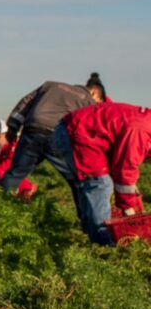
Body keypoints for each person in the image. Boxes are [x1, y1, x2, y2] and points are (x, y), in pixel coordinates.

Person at [53, 101, 151, 245]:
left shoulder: (145, 124)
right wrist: (128, 210)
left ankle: (91, 234)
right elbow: (125, 169)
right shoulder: (141, 130)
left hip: (82, 134)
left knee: (96, 185)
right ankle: (103, 243)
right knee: (100, 184)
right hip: (77, 133)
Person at [0, 73, 105, 195]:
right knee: (75, 179)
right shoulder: (88, 101)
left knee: (15, 173)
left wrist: (13, 128)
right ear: (95, 93)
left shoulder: (49, 85)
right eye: (99, 102)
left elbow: (24, 103)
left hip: (32, 130)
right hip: (57, 136)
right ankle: (85, 212)